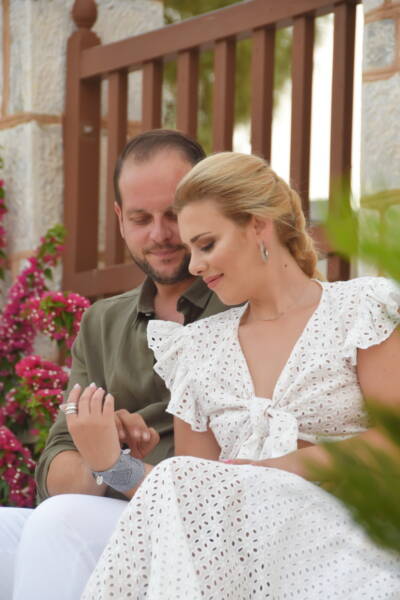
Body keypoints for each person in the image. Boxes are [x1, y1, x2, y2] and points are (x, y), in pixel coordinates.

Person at [75, 152, 400, 599]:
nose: (194, 266)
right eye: (191, 250)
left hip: (353, 537)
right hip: (244, 560)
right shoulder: (196, 348)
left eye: (206, 244)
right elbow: (194, 498)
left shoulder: (361, 308)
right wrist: (112, 465)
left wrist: (269, 471)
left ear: (258, 225)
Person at [0, 130, 229, 600]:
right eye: (142, 219)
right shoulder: (102, 321)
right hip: (114, 502)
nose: (160, 235)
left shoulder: (239, 305)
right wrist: (101, 451)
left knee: (61, 522)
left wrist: (113, 465)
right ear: (121, 220)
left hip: (197, 521)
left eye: (174, 214)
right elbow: (56, 469)